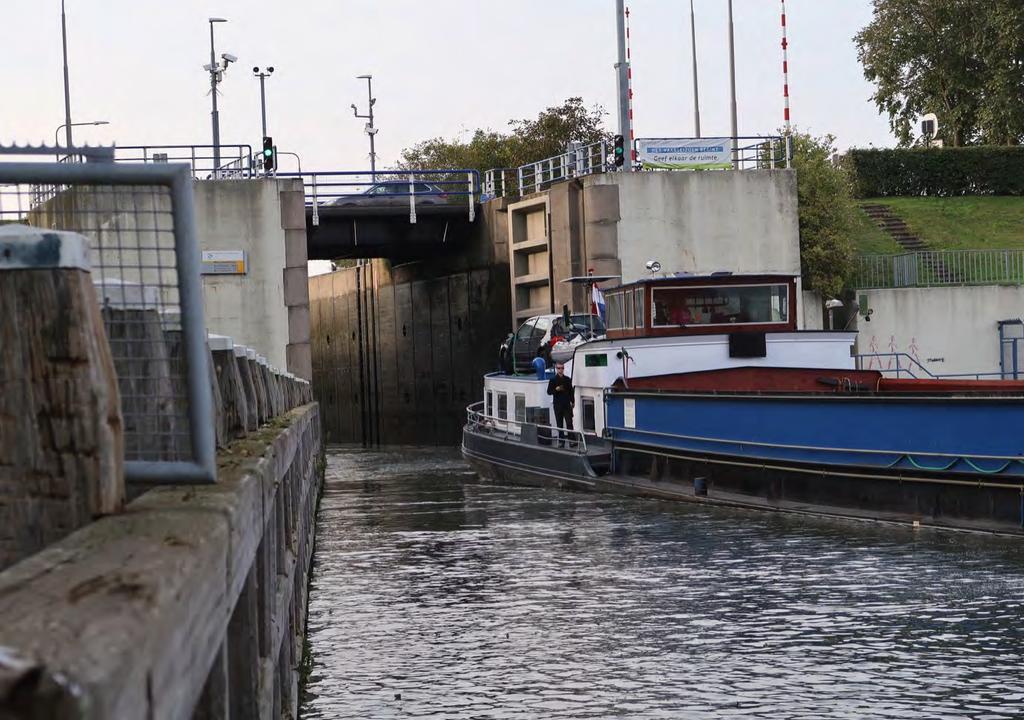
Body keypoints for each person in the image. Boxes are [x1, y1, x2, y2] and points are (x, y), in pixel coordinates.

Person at [547, 361, 575, 448]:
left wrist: (573, 401)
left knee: (569, 423)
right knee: (560, 424)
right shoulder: (553, 380)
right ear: (556, 369)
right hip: (558, 405)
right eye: (559, 368)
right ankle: (561, 441)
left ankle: (572, 441)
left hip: (566, 404)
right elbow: (549, 392)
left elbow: (571, 392)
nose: (561, 370)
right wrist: (556, 389)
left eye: (562, 368)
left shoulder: (567, 379)